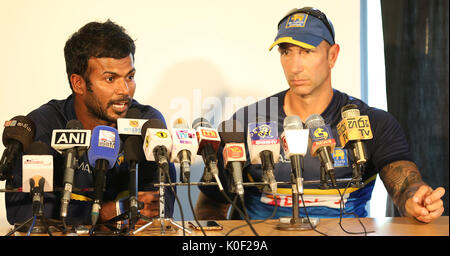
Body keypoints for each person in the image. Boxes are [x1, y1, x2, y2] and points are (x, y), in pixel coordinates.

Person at [195, 7, 445, 224]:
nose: (295, 66)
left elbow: (404, 187)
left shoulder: (373, 122)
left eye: (307, 51)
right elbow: (210, 207)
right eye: (286, 52)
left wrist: (417, 199)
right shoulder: (247, 122)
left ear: (333, 55)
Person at [4, 20, 176, 228]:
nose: (125, 90)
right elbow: (23, 214)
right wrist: (108, 212)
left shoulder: (148, 123)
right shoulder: (44, 126)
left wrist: (77, 215)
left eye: (130, 76)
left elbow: (154, 209)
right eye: (111, 79)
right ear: (79, 83)